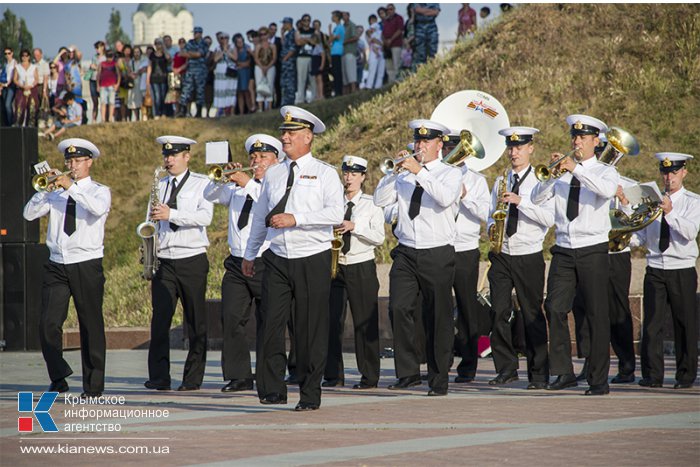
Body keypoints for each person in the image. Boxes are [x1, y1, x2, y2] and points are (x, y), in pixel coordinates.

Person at [242, 106, 344, 411]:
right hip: (276, 257)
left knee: (310, 328)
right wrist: (250, 253)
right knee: (271, 323)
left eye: (291, 133)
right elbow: (261, 215)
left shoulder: (325, 173)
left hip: (312, 256)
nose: (284, 137)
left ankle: (310, 393)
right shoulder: (274, 172)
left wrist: (295, 218)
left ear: (308, 137)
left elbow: (335, 213)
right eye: (283, 132)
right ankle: (273, 389)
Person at [531, 114, 618, 396]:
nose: (576, 142)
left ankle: (598, 379)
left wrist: (576, 170)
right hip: (565, 249)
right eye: (574, 137)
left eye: (582, 138)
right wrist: (553, 174)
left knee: (596, 313)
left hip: (592, 249)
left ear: (596, 141)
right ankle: (564, 372)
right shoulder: (564, 173)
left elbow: (605, 192)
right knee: (554, 307)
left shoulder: (605, 171)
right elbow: (536, 198)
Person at [374, 120, 462, 396]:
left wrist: (421, 171)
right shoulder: (404, 175)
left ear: (439, 145)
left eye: (426, 142)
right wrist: (393, 173)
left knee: (438, 316)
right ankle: (408, 372)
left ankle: (438, 379)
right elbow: (379, 200)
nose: (420, 146)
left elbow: (445, 198)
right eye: (417, 141)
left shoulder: (449, 173)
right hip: (407, 250)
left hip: (437, 251)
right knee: (398, 308)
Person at [23, 138, 111, 397]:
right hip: (57, 264)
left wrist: (71, 186)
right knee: (48, 323)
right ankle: (58, 375)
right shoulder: (56, 193)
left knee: (90, 324)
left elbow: (96, 209)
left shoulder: (98, 190)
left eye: (77, 161)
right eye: (69, 161)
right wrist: (46, 190)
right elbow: (28, 214)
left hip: (86, 263)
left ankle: (93, 387)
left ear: (89, 162)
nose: (72, 165)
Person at [204, 134, 283, 394]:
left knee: (268, 319)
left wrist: (248, 181)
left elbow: (270, 204)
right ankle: (239, 375)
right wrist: (222, 177)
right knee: (231, 317)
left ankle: (268, 374)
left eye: (263, 157)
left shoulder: (276, 183)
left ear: (276, 160)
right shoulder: (239, 187)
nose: (256, 161)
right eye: (253, 157)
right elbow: (210, 194)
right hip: (236, 261)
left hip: (266, 259)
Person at [144, 136, 214, 392]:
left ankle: (192, 378)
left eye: (174, 155)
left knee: (195, 320)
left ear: (187, 156)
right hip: (164, 260)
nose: (169, 159)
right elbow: (149, 222)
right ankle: (159, 376)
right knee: (160, 320)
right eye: (166, 155)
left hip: (191, 258)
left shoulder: (201, 183)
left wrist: (171, 214)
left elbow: (205, 216)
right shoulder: (159, 184)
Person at [487, 127, 553, 389]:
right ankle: (506, 368)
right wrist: (492, 227)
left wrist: (520, 202)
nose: (514, 152)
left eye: (519, 147)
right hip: (502, 253)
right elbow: (492, 213)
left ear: (531, 148)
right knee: (498, 311)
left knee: (531, 314)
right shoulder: (500, 180)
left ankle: (538, 374)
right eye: (511, 147)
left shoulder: (542, 181)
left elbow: (549, 219)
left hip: (528, 254)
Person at [631, 153, 699, 389]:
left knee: (684, 323)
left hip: (681, 267)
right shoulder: (652, 201)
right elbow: (641, 235)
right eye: (665, 172)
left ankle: (686, 375)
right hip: (656, 267)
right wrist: (625, 237)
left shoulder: (693, 201)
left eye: (673, 172)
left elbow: (690, 233)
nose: (668, 177)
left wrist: (670, 213)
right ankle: (653, 375)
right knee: (652, 324)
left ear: (683, 173)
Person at [323, 156, 385, 389]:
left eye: (354, 174)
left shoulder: (372, 203)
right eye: (346, 173)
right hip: (335, 264)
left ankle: (369, 376)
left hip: (361, 265)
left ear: (363, 177)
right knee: (331, 321)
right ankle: (333, 375)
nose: (348, 178)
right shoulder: (332, 202)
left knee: (364, 322)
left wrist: (355, 226)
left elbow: (379, 237)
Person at [446, 129, 491, 384]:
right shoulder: (436, 176)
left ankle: (468, 365)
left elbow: (485, 212)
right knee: (440, 306)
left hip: (465, 248)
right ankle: (441, 361)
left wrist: (465, 195)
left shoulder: (476, 180)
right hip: (440, 246)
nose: (451, 152)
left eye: (456, 148)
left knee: (466, 307)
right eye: (448, 147)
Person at [178, 26, 209, 118]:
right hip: (190, 69)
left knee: (200, 91)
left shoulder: (204, 43)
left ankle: (198, 111)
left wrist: (190, 54)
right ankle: (182, 111)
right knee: (186, 90)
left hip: (201, 70)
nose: (195, 34)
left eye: (196, 33)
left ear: (200, 33)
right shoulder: (190, 42)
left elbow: (200, 54)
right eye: (194, 33)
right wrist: (194, 54)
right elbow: (182, 53)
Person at [211, 32, 237, 116]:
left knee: (230, 91)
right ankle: (220, 111)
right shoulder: (217, 48)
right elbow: (215, 59)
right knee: (220, 91)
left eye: (226, 38)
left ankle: (231, 111)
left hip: (230, 72)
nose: (224, 40)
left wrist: (227, 51)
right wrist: (223, 51)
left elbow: (235, 58)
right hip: (220, 73)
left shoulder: (233, 47)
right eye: (222, 38)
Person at [13, 49, 39, 127]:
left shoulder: (33, 67)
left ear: (29, 57)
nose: (24, 57)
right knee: (19, 106)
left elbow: (36, 79)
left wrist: (31, 86)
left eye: (26, 56)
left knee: (32, 106)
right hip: (21, 88)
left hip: (31, 88)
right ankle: (19, 124)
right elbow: (15, 79)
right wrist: (22, 86)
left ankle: (31, 125)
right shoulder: (17, 67)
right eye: (23, 56)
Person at [254, 27, 277, 112]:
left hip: (270, 67)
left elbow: (274, 58)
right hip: (259, 67)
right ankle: (260, 107)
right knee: (259, 85)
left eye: (265, 34)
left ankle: (269, 107)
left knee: (270, 85)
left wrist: (267, 67)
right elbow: (256, 58)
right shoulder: (258, 46)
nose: (263, 36)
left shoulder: (272, 46)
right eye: (261, 34)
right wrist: (262, 67)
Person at [295, 14, 315, 103]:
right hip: (301, 57)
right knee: (301, 79)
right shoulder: (298, 31)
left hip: (312, 57)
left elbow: (315, 42)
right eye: (305, 20)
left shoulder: (314, 30)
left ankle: (314, 98)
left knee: (312, 79)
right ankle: (300, 99)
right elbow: (298, 42)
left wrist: (304, 40)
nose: (307, 22)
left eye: (308, 20)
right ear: (302, 21)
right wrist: (309, 40)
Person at [382, 4, 404, 84]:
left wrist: (391, 39)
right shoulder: (386, 20)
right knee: (389, 66)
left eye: (391, 9)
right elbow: (383, 33)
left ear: (394, 9)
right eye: (387, 10)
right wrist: (385, 41)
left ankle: (397, 82)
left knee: (396, 64)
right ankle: (391, 83)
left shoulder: (399, 18)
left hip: (396, 44)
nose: (389, 11)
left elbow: (400, 30)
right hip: (387, 46)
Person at [96, 50, 119, 123]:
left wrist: (117, 84)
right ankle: (103, 118)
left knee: (111, 102)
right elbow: (98, 75)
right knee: (103, 102)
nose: (110, 58)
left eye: (111, 56)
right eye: (108, 56)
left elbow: (118, 75)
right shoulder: (102, 64)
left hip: (112, 85)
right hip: (103, 85)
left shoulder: (115, 64)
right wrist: (98, 85)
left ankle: (110, 118)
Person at [279, 17, 297, 106]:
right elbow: (284, 45)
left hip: (290, 62)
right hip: (285, 63)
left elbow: (293, 48)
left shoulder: (294, 33)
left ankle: (290, 101)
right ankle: (285, 101)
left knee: (290, 82)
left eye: (284, 23)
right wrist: (282, 34)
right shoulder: (287, 35)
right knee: (284, 82)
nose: (283, 26)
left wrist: (286, 58)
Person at [87, 42, 105, 123]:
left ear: (102, 47)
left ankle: (103, 118)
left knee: (103, 101)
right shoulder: (94, 57)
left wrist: (97, 67)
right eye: (96, 48)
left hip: (102, 81)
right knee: (95, 102)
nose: (97, 50)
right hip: (93, 80)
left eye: (98, 47)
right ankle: (94, 119)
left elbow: (104, 69)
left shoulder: (105, 57)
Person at [365, 14, 385, 89]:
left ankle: (378, 86)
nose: (373, 21)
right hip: (373, 51)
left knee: (381, 69)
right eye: (372, 20)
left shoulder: (380, 30)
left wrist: (382, 45)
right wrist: (381, 44)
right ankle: (369, 86)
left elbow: (382, 38)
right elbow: (373, 40)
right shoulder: (369, 31)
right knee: (372, 69)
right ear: (369, 22)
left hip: (381, 51)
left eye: (374, 20)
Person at [341, 11, 359, 95]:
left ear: (348, 16)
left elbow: (355, 37)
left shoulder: (352, 25)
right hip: (343, 52)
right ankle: (347, 93)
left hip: (350, 51)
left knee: (351, 73)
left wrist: (345, 42)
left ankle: (353, 90)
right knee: (345, 74)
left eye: (345, 15)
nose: (343, 17)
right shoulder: (342, 27)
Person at [329, 11, 345, 98]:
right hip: (334, 51)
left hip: (337, 52)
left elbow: (333, 38)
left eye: (333, 16)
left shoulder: (339, 27)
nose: (332, 18)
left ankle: (338, 91)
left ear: (337, 17)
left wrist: (329, 30)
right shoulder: (337, 27)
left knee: (337, 73)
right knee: (335, 72)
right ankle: (337, 91)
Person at [32, 48, 50, 126]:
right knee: (36, 105)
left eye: (38, 55)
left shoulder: (44, 64)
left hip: (42, 85)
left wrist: (44, 90)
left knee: (44, 104)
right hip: (35, 86)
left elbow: (46, 77)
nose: (36, 57)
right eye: (35, 55)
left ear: (41, 55)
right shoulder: (33, 65)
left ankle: (44, 121)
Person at [310, 19, 327, 100]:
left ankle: (321, 95)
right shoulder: (313, 47)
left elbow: (323, 56)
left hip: (318, 63)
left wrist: (322, 65)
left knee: (320, 80)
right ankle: (318, 95)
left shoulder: (319, 46)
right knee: (316, 80)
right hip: (314, 63)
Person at [1, 47, 17, 126]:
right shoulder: (5, 64)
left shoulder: (15, 63)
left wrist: (8, 83)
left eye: (9, 53)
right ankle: (6, 123)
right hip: (4, 86)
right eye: (6, 54)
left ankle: (11, 122)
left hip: (11, 86)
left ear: (12, 53)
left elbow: (13, 75)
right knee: (4, 105)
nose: (7, 55)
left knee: (8, 104)